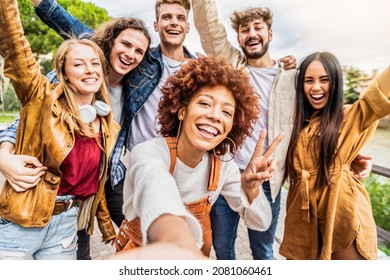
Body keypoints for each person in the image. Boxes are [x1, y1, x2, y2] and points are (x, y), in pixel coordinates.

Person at [191, 0, 373, 260]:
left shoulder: (294, 77)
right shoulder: (231, 66)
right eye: (245, 30)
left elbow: (319, 120)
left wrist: (349, 151)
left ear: (270, 34)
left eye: (258, 27)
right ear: (239, 38)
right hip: (227, 175)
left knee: (263, 251)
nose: (252, 33)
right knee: (223, 248)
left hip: (268, 179)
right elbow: (209, 28)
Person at [0, 0, 151, 259]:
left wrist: (106, 226)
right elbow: (16, 48)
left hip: (67, 224)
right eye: (79, 64)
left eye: (94, 64)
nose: (90, 70)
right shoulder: (43, 98)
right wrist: (3, 157)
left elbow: (98, 179)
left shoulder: (107, 123)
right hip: (23, 218)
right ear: (64, 73)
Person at [116, 55, 284, 258]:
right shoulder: (148, 152)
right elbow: (156, 187)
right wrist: (180, 244)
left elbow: (260, 222)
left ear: (232, 126)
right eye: (205, 103)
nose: (215, 115)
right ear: (182, 111)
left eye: (227, 112)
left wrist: (251, 191)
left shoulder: (223, 167)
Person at [281, 52, 390, 260]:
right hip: (302, 219)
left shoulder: (349, 116)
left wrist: (347, 159)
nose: (316, 87)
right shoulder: (296, 125)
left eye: (324, 80)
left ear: (336, 83)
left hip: (341, 212)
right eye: (308, 81)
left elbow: (377, 93)